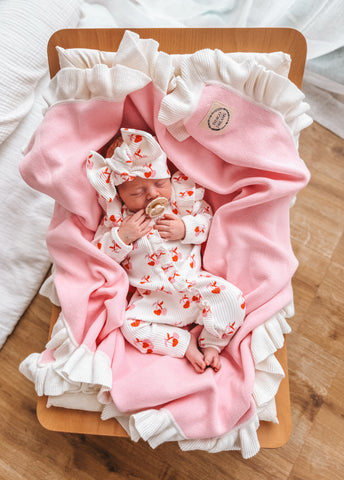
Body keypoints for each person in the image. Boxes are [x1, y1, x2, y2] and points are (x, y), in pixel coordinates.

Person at [86, 128, 246, 373]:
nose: (152, 194)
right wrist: (122, 238)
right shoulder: (116, 222)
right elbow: (99, 256)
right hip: (153, 299)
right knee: (129, 325)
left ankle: (213, 343)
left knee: (231, 297)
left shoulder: (181, 202)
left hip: (196, 286)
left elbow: (206, 219)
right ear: (120, 195)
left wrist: (185, 228)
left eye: (160, 184)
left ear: (167, 177)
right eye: (137, 192)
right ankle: (185, 345)